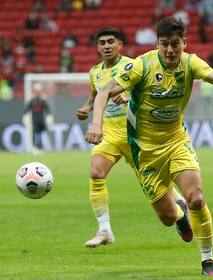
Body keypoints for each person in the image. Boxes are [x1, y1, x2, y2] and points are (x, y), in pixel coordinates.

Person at [85, 17, 213, 276]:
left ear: (184, 43)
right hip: (144, 151)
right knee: (168, 217)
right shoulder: (141, 65)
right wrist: (97, 125)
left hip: (177, 142)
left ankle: (208, 261)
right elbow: (104, 92)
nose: (170, 50)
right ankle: (180, 218)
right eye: (165, 44)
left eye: (175, 44)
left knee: (197, 198)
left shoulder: (190, 62)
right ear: (157, 43)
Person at [76, 27, 185, 248]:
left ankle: (181, 207)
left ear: (119, 45)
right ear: (97, 47)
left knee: (154, 184)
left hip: (135, 133)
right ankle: (104, 230)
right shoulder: (94, 72)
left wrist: (126, 97)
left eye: (110, 42)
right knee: (96, 172)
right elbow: (96, 95)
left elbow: (143, 90)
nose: (106, 46)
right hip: (110, 134)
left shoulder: (132, 65)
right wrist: (86, 109)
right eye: (102, 43)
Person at [23, 82, 53, 155]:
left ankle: (40, 148)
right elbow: (27, 110)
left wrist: (49, 117)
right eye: (37, 91)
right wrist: (25, 117)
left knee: (40, 134)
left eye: (39, 91)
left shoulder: (43, 100)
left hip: (42, 120)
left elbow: (47, 109)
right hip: (34, 120)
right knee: (35, 134)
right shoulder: (32, 101)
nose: (38, 92)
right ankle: (35, 148)